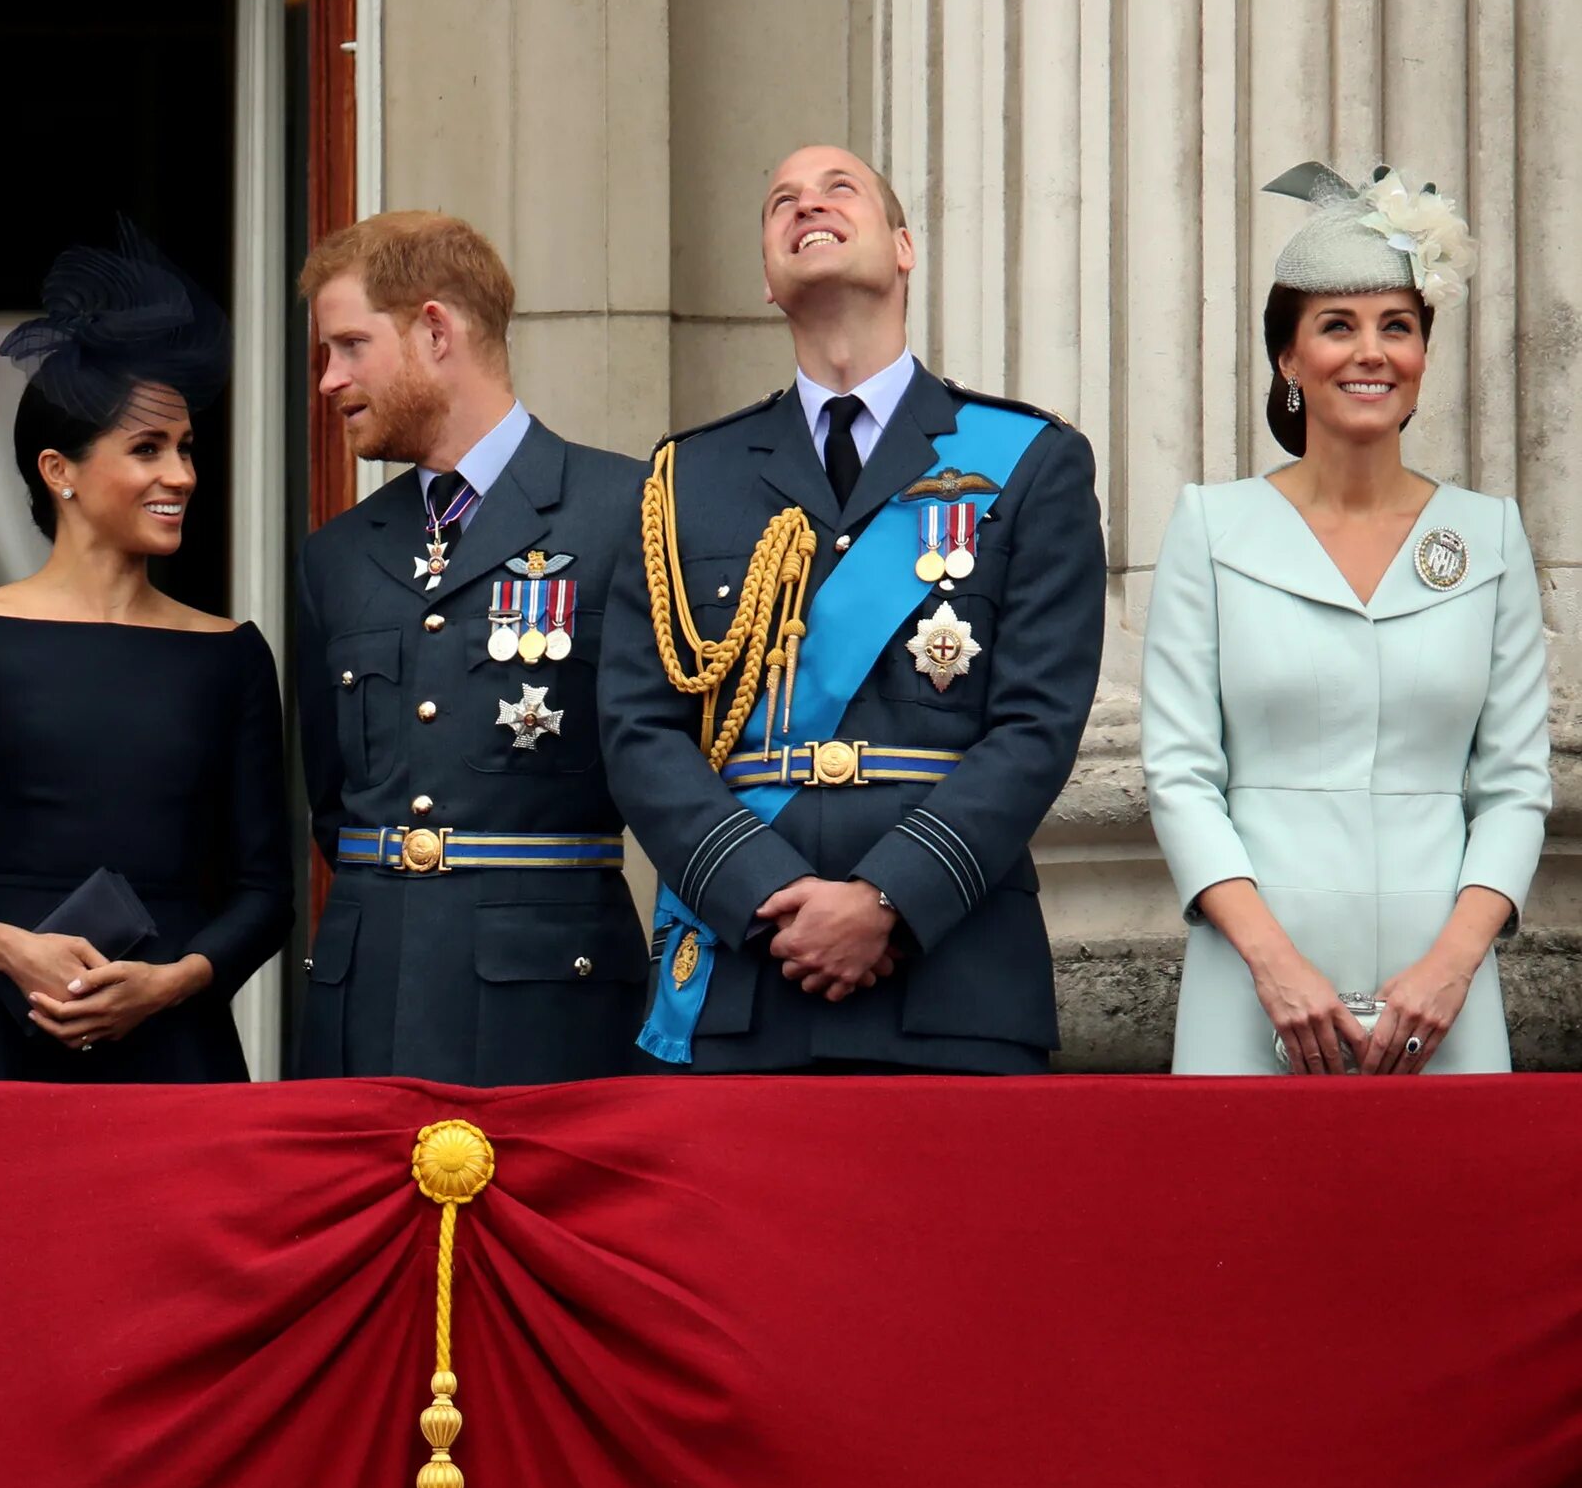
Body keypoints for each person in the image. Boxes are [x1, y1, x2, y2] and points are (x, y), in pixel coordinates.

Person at [600, 145, 1105, 1074]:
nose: (807, 205)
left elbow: (1036, 728)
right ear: (766, 276)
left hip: (954, 978)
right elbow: (638, 729)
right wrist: (768, 892)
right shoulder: (685, 479)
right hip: (744, 979)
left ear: (903, 247)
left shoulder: (1030, 460)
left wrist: (886, 901)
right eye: (779, 199)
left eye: (840, 190)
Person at [0, 228, 289, 1082]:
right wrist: (8, 949)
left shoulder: (230, 655)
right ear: (60, 470)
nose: (182, 475)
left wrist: (174, 982)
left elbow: (266, 894)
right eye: (147, 448)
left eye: (186, 448)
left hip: (172, 1045)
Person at [1143, 165, 1544, 1075]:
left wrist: (1449, 970)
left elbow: (1516, 784)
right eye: (1337, 325)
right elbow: (1180, 772)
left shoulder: (1488, 536)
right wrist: (1274, 966)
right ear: (1287, 357)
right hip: (1254, 981)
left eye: (1396, 326)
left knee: (1449, 1217)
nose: (1371, 352)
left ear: (1424, 355)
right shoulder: (1213, 527)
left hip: (1440, 993)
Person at [292, 211, 649, 1085]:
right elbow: (333, 802)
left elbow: (672, 767)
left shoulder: (623, 510)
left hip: (549, 1001)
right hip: (365, 993)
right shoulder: (336, 554)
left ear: (435, 329)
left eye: (348, 345)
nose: (330, 380)